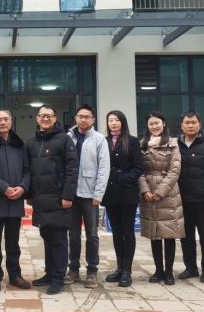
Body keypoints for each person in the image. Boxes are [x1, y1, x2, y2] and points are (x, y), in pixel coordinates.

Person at [26, 104, 78, 295]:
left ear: (55, 118)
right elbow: (28, 170)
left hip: (58, 198)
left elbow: (72, 169)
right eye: (42, 115)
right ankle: (49, 273)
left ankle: (58, 278)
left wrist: (67, 195)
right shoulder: (31, 142)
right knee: (46, 236)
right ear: (37, 118)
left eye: (49, 115)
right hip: (40, 199)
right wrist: (29, 195)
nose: (45, 118)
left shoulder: (64, 139)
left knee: (58, 239)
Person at [0, 109, 31, 293]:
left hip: (15, 201)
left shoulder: (19, 144)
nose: (2, 123)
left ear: (11, 122)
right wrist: (5, 188)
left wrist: (22, 187)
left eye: (5, 119)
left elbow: (27, 170)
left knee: (13, 242)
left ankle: (15, 275)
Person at [64, 104, 110, 289]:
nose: (83, 119)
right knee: (73, 234)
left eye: (87, 117)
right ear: (76, 118)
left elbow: (104, 168)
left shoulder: (99, 139)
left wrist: (99, 194)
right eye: (80, 116)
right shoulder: (68, 137)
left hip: (90, 195)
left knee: (92, 234)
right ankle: (73, 269)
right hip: (71, 194)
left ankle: (92, 271)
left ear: (93, 119)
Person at [139, 111, 184, 286]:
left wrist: (160, 191)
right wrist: (145, 190)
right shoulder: (142, 144)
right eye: (151, 124)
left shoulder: (173, 144)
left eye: (157, 123)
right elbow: (138, 170)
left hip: (168, 193)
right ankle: (158, 270)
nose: (154, 126)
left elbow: (175, 171)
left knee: (169, 234)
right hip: (148, 192)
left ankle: (169, 271)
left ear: (163, 123)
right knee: (154, 234)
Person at [177, 110, 204, 284]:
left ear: (199, 125)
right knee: (186, 236)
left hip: (203, 200)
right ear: (181, 125)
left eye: (193, 122)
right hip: (182, 200)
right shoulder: (176, 146)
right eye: (187, 123)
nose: (190, 125)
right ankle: (190, 267)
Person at [101, 110, 144, 287]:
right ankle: (119, 268)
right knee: (116, 232)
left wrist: (124, 179)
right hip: (110, 193)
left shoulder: (132, 141)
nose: (113, 123)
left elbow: (138, 167)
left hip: (127, 192)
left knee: (127, 231)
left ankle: (127, 270)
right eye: (110, 120)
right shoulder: (103, 141)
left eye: (116, 120)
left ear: (123, 122)